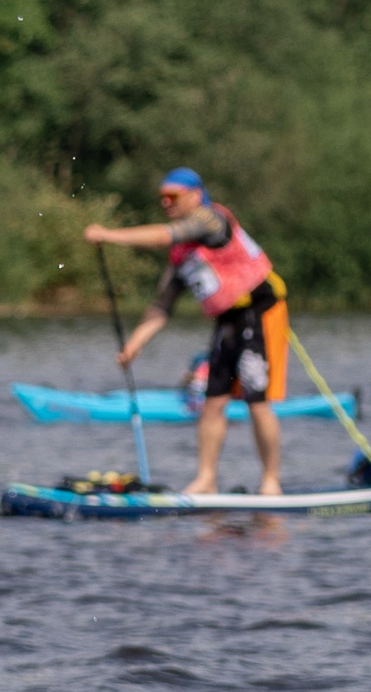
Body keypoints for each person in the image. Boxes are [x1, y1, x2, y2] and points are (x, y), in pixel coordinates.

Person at [83, 169, 289, 497]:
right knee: (212, 404)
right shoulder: (182, 255)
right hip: (227, 322)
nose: (166, 203)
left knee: (257, 402)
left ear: (195, 195)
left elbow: (165, 234)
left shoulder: (210, 220)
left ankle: (271, 482)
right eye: (161, 198)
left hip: (259, 313)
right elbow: (161, 306)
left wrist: (109, 235)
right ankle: (206, 480)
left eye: (173, 197)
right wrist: (134, 345)